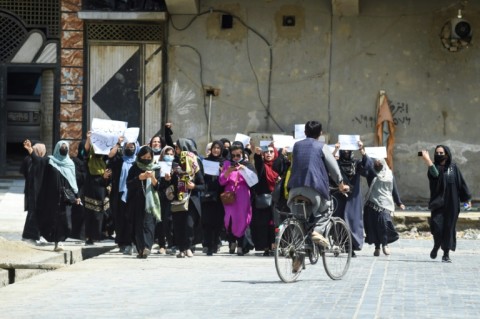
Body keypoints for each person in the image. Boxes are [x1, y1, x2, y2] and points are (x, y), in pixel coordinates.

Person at [287, 121, 349, 252]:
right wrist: (341, 183)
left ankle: (297, 254)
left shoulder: (296, 146)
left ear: (305, 132)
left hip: (294, 189)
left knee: (299, 219)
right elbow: (333, 167)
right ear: (320, 133)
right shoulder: (321, 147)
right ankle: (317, 232)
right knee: (327, 208)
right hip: (313, 189)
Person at [23, 139, 81, 251]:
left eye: (65, 148)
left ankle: (61, 240)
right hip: (52, 197)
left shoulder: (70, 164)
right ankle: (57, 242)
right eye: (62, 147)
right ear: (57, 149)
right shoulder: (50, 161)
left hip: (66, 198)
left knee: (66, 222)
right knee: (53, 220)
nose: (64, 149)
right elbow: (38, 161)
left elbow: (73, 181)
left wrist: (77, 196)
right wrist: (30, 150)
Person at [421, 145, 472, 263]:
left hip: (452, 204)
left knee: (449, 229)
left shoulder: (454, 168)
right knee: (437, 228)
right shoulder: (434, 167)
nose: (439, 155)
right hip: (438, 204)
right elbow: (435, 174)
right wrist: (428, 161)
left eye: (441, 153)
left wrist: (467, 199)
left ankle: (446, 254)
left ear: (447, 154)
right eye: (437, 153)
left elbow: (461, 184)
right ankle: (436, 245)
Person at [331, 141, 373, 257]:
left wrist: (362, 151)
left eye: (348, 150)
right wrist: (334, 150)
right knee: (339, 220)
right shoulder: (337, 162)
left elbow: (368, 167)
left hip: (353, 197)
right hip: (339, 195)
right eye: (343, 150)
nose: (345, 152)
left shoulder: (356, 163)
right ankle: (338, 244)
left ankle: (351, 247)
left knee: (353, 221)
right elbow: (326, 164)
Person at [219, 143, 256, 256]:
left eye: (238, 155)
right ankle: (232, 242)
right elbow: (221, 181)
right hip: (229, 195)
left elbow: (254, 180)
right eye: (233, 155)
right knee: (229, 219)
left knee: (242, 219)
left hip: (243, 195)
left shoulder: (247, 165)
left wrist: (244, 169)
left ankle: (240, 245)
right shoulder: (227, 164)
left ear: (242, 154)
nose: (235, 158)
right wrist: (228, 172)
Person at [170, 138, 205, 258]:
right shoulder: (174, 163)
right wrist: (168, 179)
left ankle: (188, 246)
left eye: (178, 148)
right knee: (178, 225)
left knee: (189, 225)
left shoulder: (195, 164)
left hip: (191, 199)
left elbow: (202, 185)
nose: (176, 150)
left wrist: (193, 186)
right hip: (178, 198)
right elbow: (168, 183)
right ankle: (181, 249)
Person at [252, 143, 288, 256]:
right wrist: (257, 156)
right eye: (266, 151)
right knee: (264, 224)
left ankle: (276, 245)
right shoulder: (262, 165)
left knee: (276, 223)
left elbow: (283, 168)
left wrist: (283, 155)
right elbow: (259, 165)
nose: (269, 154)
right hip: (264, 199)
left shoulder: (279, 164)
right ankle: (266, 246)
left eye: (271, 152)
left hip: (277, 200)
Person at [364, 158, 405, 256]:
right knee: (374, 226)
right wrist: (364, 154)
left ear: (383, 162)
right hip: (372, 203)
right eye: (375, 161)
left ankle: (385, 244)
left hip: (385, 203)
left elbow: (394, 189)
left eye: (379, 161)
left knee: (384, 223)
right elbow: (365, 167)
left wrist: (399, 202)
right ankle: (377, 247)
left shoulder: (389, 174)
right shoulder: (371, 173)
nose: (377, 163)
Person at [126, 146, 161, 258]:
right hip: (136, 201)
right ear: (139, 156)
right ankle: (141, 249)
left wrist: (152, 178)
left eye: (148, 157)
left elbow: (159, 186)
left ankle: (147, 247)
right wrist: (139, 178)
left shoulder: (155, 168)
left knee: (149, 224)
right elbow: (129, 184)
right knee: (138, 225)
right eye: (144, 157)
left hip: (150, 202)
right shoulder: (134, 168)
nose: (146, 159)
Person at [108, 136, 138, 253]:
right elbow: (110, 156)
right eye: (127, 146)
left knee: (133, 218)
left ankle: (133, 242)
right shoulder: (120, 160)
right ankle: (122, 242)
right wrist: (118, 144)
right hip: (120, 194)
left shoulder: (137, 162)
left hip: (133, 193)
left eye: (132, 147)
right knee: (121, 219)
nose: (129, 148)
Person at [83, 131, 112, 245]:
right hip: (92, 187)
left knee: (104, 211)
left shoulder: (106, 158)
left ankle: (102, 233)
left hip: (103, 188)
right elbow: (85, 150)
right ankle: (90, 237)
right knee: (92, 213)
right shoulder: (90, 158)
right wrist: (89, 138)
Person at [201, 140, 226, 256]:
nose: (216, 150)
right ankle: (207, 245)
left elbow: (227, 179)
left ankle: (215, 243)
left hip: (219, 196)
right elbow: (201, 177)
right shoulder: (205, 161)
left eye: (218, 148)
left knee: (217, 221)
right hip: (207, 194)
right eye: (214, 148)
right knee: (207, 221)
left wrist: (222, 172)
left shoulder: (225, 162)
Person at [20, 141, 46, 244]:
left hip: (30, 189)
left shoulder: (28, 159)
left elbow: (24, 173)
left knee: (34, 213)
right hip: (36, 190)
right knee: (33, 213)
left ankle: (37, 235)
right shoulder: (38, 161)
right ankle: (28, 236)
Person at [155, 145, 176, 255]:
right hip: (161, 197)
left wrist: (171, 179)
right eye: (167, 154)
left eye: (171, 154)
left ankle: (172, 244)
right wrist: (165, 180)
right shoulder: (158, 166)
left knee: (170, 221)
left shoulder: (176, 166)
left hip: (173, 198)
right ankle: (162, 244)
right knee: (161, 221)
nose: (169, 156)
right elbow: (157, 183)